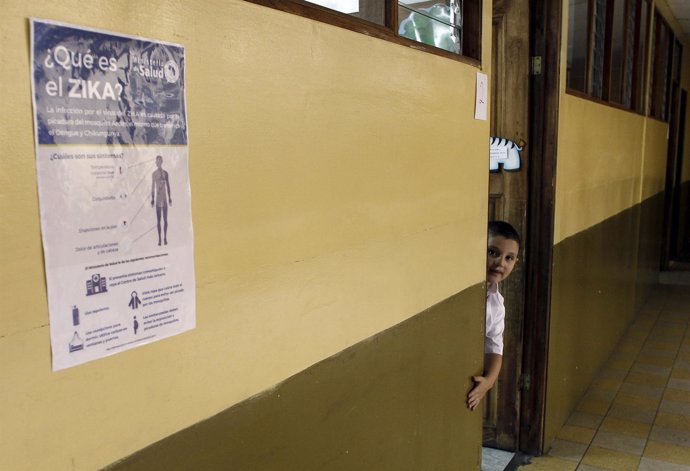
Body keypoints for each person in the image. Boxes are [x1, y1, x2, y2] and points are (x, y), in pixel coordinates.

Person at [467, 220, 520, 411]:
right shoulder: (465, 290)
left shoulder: (497, 303)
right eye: (492, 253)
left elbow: (495, 346)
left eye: (509, 258)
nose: (500, 263)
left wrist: (489, 382)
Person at [151, 155, 172, 245]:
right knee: (159, 220)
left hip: (164, 199)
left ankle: (165, 238)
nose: (158, 163)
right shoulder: (154, 174)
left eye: (159, 161)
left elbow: (168, 186)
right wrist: (152, 198)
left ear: (161, 162)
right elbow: (152, 187)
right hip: (158, 199)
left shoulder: (166, 173)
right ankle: (159, 239)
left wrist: (170, 197)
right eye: (157, 161)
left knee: (166, 220)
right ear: (156, 163)